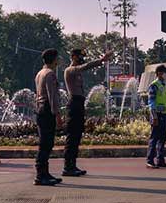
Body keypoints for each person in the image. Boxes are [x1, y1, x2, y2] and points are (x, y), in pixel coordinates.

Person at [62, 48, 113, 176]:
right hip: (73, 104)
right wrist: (101, 60)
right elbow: (85, 66)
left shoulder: (77, 72)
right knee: (72, 137)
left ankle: (72, 165)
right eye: (79, 56)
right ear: (73, 57)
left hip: (79, 104)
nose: (81, 59)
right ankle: (67, 167)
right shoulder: (70, 70)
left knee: (77, 136)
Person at [34, 48, 63, 186]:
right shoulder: (50, 74)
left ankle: (45, 173)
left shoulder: (40, 73)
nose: (59, 60)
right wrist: (57, 115)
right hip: (47, 110)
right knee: (46, 143)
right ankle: (41, 175)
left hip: (40, 109)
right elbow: (52, 97)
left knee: (45, 143)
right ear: (53, 59)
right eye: (58, 58)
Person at [146, 64, 166, 169]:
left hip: (164, 115)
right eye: (164, 72)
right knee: (154, 138)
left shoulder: (163, 85)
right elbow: (151, 102)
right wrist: (154, 116)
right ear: (159, 73)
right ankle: (150, 161)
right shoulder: (154, 85)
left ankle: (160, 160)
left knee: (162, 138)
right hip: (157, 115)